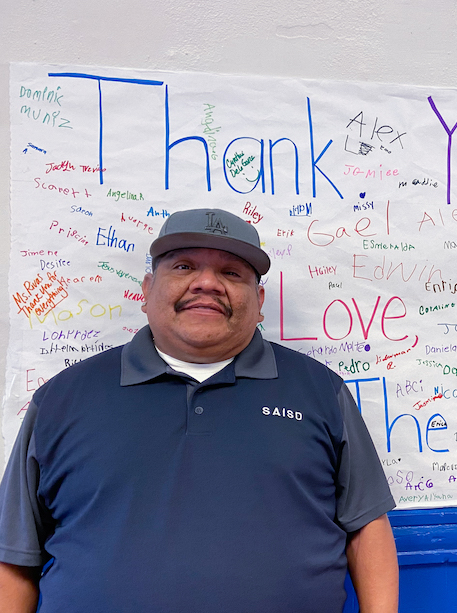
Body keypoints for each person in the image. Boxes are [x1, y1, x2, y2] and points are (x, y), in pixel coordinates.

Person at [0, 208, 398, 613]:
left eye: (231, 273)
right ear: (147, 289)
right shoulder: (62, 399)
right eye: (184, 266)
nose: (207, 283)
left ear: (259, 301)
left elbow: (366, 527)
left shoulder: (320, 390)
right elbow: (15, 555)